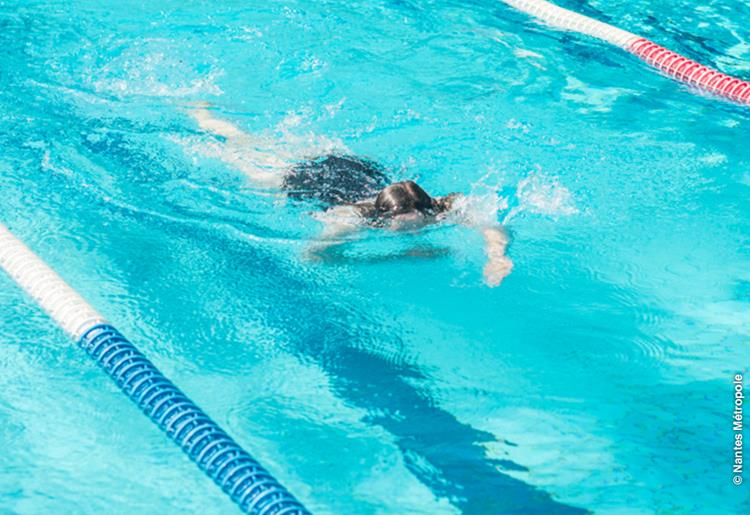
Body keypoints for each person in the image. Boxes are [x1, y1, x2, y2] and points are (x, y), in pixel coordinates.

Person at [190, 106, 512, 286]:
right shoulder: (351, 219)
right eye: (405, 229)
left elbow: (490, 226)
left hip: (358, 169)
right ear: (381, 219)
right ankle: (203, 117)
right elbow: (314, 257)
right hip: (312, 180)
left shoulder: (443, 206)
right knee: (245, 158)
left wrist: (496, 256)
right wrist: (399, 256)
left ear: (430, 209)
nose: (415, 234)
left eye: (419, 224)